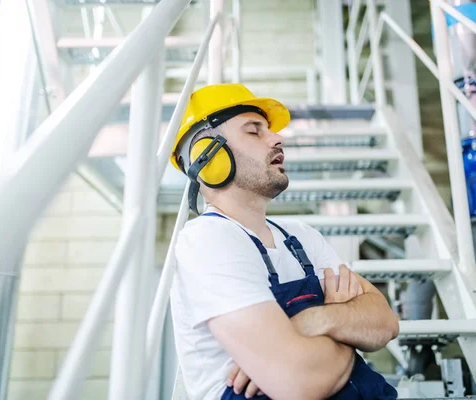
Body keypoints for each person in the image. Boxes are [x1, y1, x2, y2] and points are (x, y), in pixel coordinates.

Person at [169, 83, 400, 400]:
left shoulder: (300, 236)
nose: (278, 138)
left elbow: (384, 322)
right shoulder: (207, 241)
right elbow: (300, 382)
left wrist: (313, 320)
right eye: (255, 132)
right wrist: (345, 327)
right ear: (207, 155)